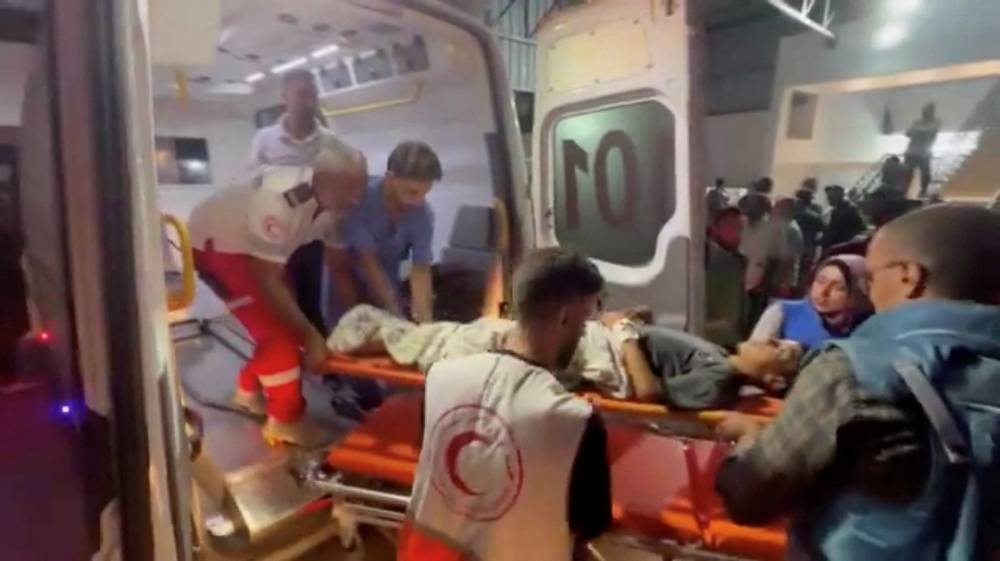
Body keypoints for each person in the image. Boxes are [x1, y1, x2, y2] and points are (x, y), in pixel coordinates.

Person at [715, 204, 1000, 560]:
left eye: (871, 278)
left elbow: (749, 498)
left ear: (910, 277)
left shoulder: (853, 370)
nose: (869, 291)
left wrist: (749, 440)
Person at [399, 248, 612, 561]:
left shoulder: (439, 377)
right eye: (584, 320)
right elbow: (589, 525)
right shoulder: (575, 422)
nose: (584, 332)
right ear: (565, 316)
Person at [188, 140, 367, 445]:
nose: (355, 199)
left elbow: (338, 267)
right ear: (320, 181)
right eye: (346, 189)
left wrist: (361, 322)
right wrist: (310, 336)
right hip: (219, 245)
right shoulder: (280, 201)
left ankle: (247, 389)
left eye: (360, 188)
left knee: (287, 320)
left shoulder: (336, 206)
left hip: (257, 249)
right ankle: (286, 421)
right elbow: (265, 277)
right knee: (279, 334)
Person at [328, 303, 801, 410]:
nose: (771, 341)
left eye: (780, 351)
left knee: (459, 339)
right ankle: (379, 336)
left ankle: (355, 341)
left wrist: (626, 333)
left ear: (774, 383)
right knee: (468, 332)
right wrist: (634, 324)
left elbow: (648, 392)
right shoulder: (717, 352)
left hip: (583, 352)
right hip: (591, 341)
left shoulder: (719, 378)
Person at [248, 69, 344, 335]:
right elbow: (254, 182)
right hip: (274, 233)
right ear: (285, 98)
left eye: (312, 94)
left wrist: (296, 187)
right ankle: (289, 353)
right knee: (277, 297)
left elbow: (334, 184)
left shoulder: (330, 141)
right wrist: (306, 184)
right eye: (301, 94)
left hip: (312, 235)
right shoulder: (264, 139)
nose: (308, 101)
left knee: (311, 297)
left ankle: (320, 362)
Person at [331, 141, 442, 323]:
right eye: (412, 192)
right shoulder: (359, 200)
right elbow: (368, 263)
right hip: (346, 286)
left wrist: (426, 323)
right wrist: (395, 317)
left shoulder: (422, 213)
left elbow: (420, 270)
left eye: (425, 193)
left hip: (388, 287)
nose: (417, 201)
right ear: (390, 178)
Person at [750, 255, 871, 351]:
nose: (823, 292)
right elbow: (752, 360)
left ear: (857, 294)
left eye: (838, 287)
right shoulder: (782, 313)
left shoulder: (869, 328)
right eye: (820, 281)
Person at [739, 193, 789, 328]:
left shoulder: (775, 228)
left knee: (753, 319)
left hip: (759, 282)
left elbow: (778, 259)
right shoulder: (739, 223)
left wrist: (767, 282)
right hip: (735, 279)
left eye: (754, 207)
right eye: (747, 207)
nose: (749, 211)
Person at [705, 206, 748, 348]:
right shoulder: (722, 261)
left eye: (740, 229)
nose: (739, 235)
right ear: (715, 228)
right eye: (733, 228)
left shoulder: (734, 259)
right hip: (719, 336)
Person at [904, 102, 941, 199]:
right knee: (907, 173)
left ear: (932, 112)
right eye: (924, 112)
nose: (925, 114)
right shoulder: (918, 122)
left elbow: (931, 130)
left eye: (927, 112)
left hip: (924, 153)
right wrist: (920, 131)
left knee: (926, 174)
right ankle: (903, 192)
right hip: (912, 152)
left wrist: (918, 131)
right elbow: (907, 133)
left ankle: (923, 192)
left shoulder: (935, 122)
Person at [772, 197, 805, 294]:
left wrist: (784, 284)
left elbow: (789, 258)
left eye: (777, 207)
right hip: (777, 277)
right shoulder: (784, 226)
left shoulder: (789, 229)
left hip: (782, 279)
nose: (773, 209)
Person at [819, 184, 866, 250]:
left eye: (830, 197)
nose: (828, 200)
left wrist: (823, 241)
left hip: (843, 247)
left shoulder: (845, 210)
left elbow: (833, 232)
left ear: (838, 196)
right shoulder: (842, 209)